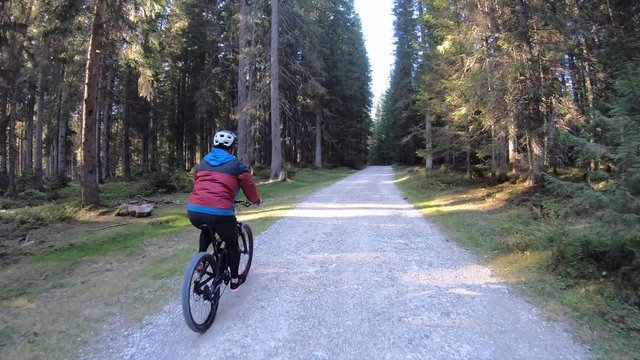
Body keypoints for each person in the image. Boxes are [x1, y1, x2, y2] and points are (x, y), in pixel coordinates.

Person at [187, 130, 261, 291]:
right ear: (233, 148)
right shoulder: (237, 165)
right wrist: (255, 201)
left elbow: (197, 183)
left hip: (194, 211)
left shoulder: (203, 162)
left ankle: (201, 259)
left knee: (207, 227)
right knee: (232, 244)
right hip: (220, 212)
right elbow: (249, 186)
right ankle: (234, 280)